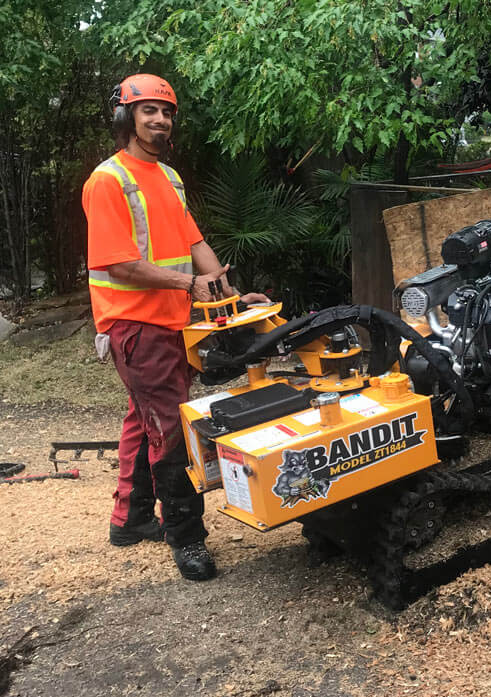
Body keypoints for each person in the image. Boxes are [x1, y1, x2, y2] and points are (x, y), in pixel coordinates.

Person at [83, 73, 267, 581]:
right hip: (135, 325)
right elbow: (119, 265)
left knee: (145, 420)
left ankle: (130, 519)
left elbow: (194, 243)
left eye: (166, 112)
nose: (160, 120)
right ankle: (186, 537)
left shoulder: (169, 178)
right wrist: (188, 287)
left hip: (172, 322)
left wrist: (227, 291)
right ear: (127, 118)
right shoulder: (108, 180)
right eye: (148, 111)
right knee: (170, 427)